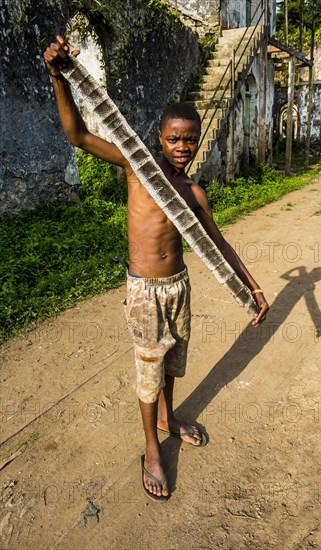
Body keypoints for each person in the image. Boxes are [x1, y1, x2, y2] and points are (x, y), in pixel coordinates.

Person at [43, 35, 270, 501]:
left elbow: (219, 244)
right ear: (160, 138)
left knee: (170, 365)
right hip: (144, 291)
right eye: (173, 138)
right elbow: (78, 135)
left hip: (178, 288)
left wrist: (255, 289)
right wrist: (57, 76)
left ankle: (169, 418)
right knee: (149, 369)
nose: (182, 147)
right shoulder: (136, 167)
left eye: (190, 138)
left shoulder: (193, 193)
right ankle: (151, 447)